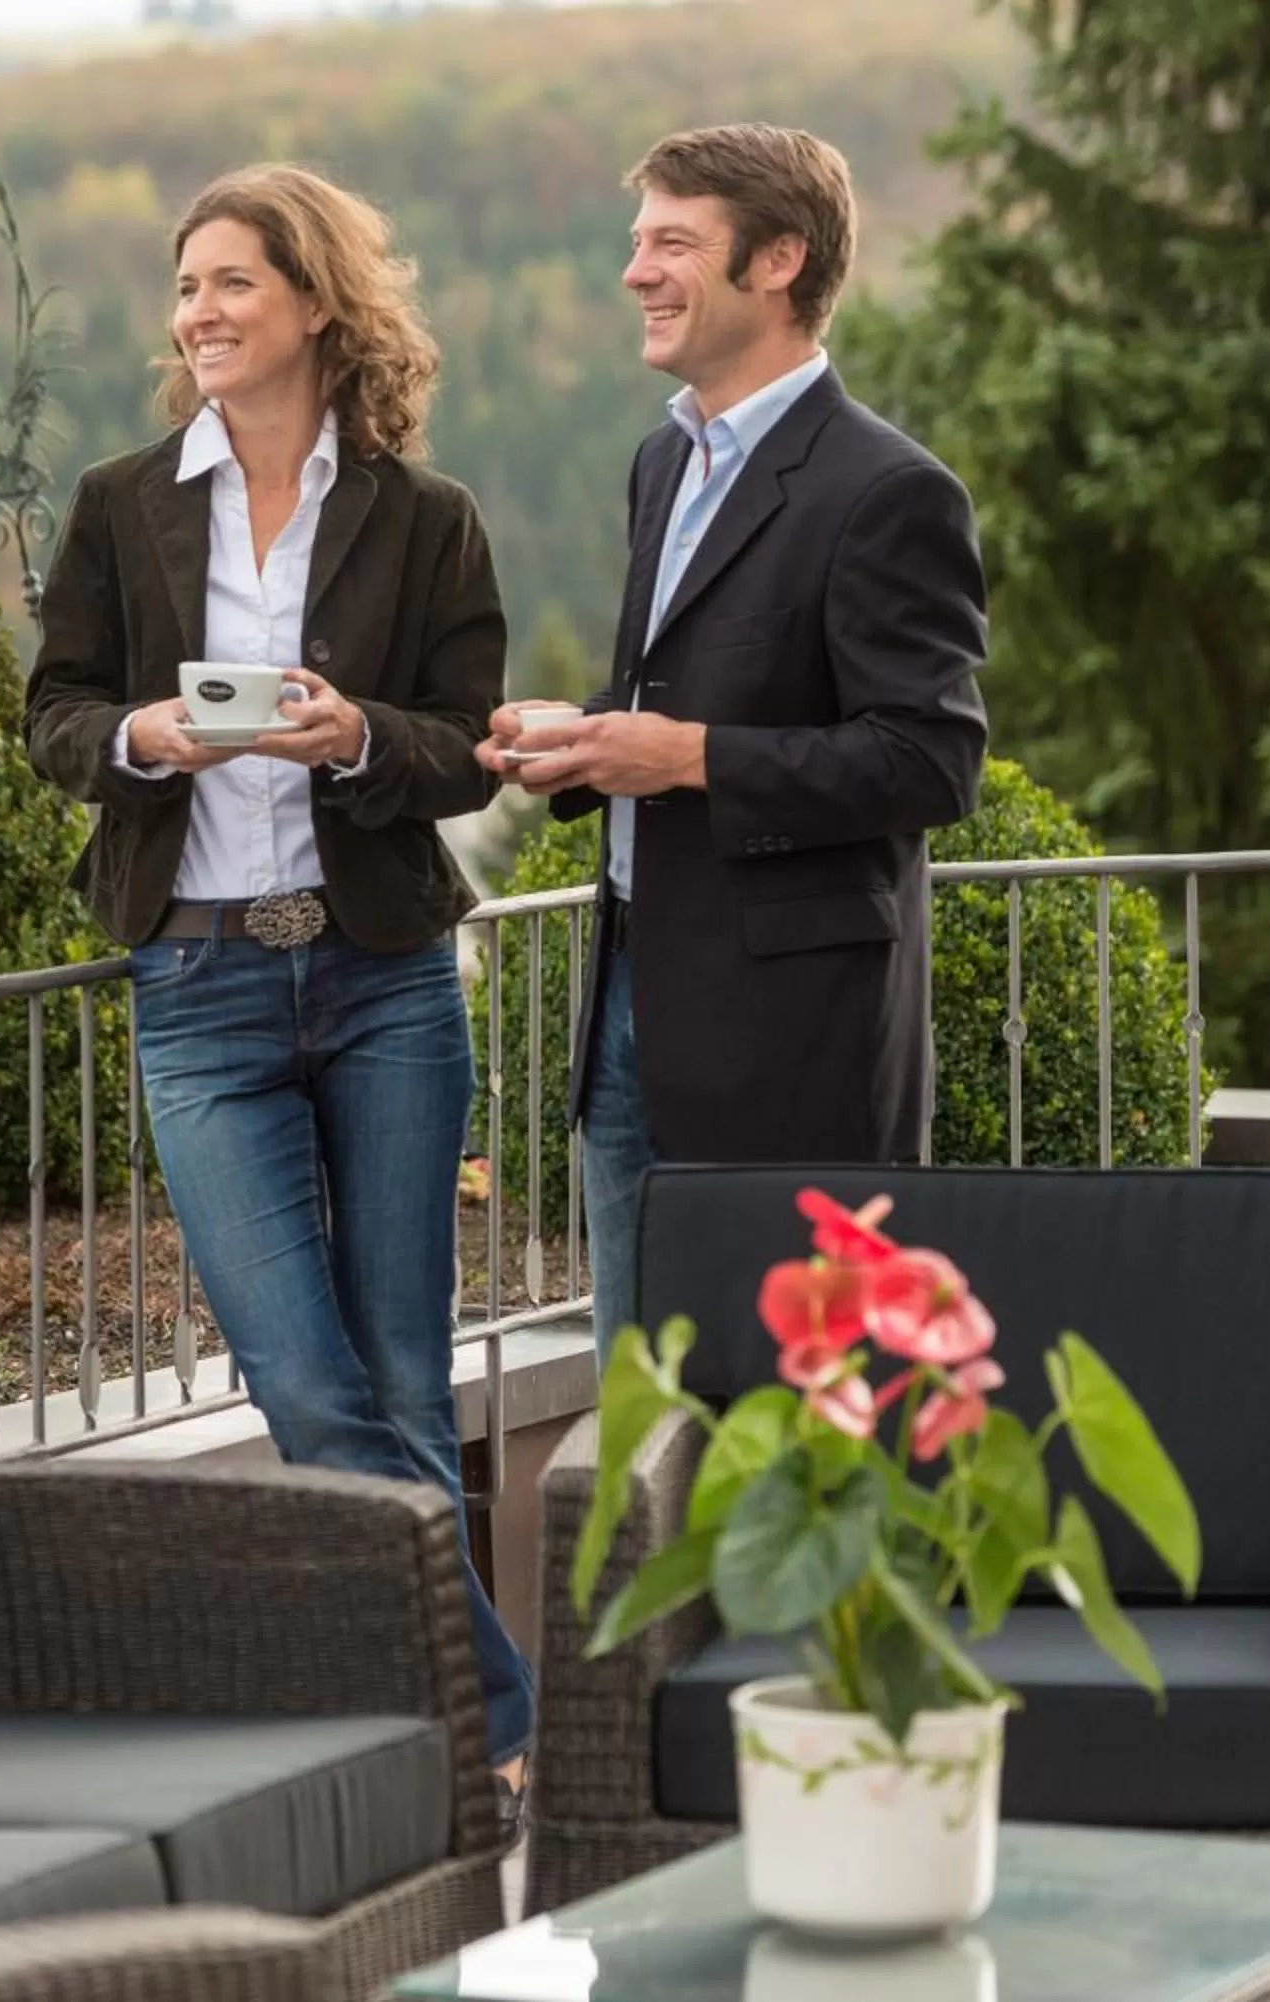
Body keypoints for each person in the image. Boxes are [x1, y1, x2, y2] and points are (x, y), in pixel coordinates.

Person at [24, 163, 532, 1806]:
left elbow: (468, 749)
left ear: (317, 301)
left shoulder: (423, 513)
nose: (200, 314)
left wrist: (356, 735)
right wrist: (139, 737)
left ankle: (438, 1754)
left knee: (397, 1377)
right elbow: (53, 719)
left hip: (384, 980)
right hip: (200, 990)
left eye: (232, 282)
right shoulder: (121, 503)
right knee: (306, 1381)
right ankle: (505, 1714)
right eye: (186, 290)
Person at [481, 124, 989, 1363]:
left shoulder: (887, 489)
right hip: (626, 1012)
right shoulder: (665, 461)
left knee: (802, 1413)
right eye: (636, 240)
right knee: (643, 1405)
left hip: (791, 1041)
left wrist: (689, 757)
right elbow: (676, 695)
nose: (634, 272)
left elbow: (930, 762)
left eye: (671, 243)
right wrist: (581, 739)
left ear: (777, 260)